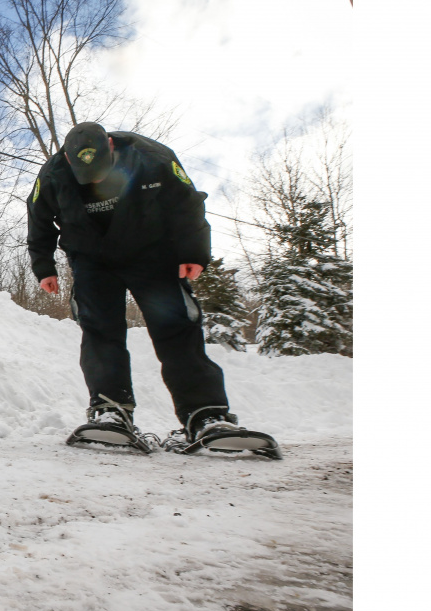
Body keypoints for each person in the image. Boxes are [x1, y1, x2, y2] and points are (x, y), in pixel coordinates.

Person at [27, 122, 279, 457]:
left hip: (153, 253)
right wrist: (43, 266)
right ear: (70, 162)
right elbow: (38, 219)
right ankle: (110, 410)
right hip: (92, 259)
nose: (98, 180)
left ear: (112, 148)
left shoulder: (152, 158)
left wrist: (193, 252)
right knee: (100, 331)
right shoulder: (53, 174)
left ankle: (205, 414)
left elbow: (187, 203)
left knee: (176, 327)